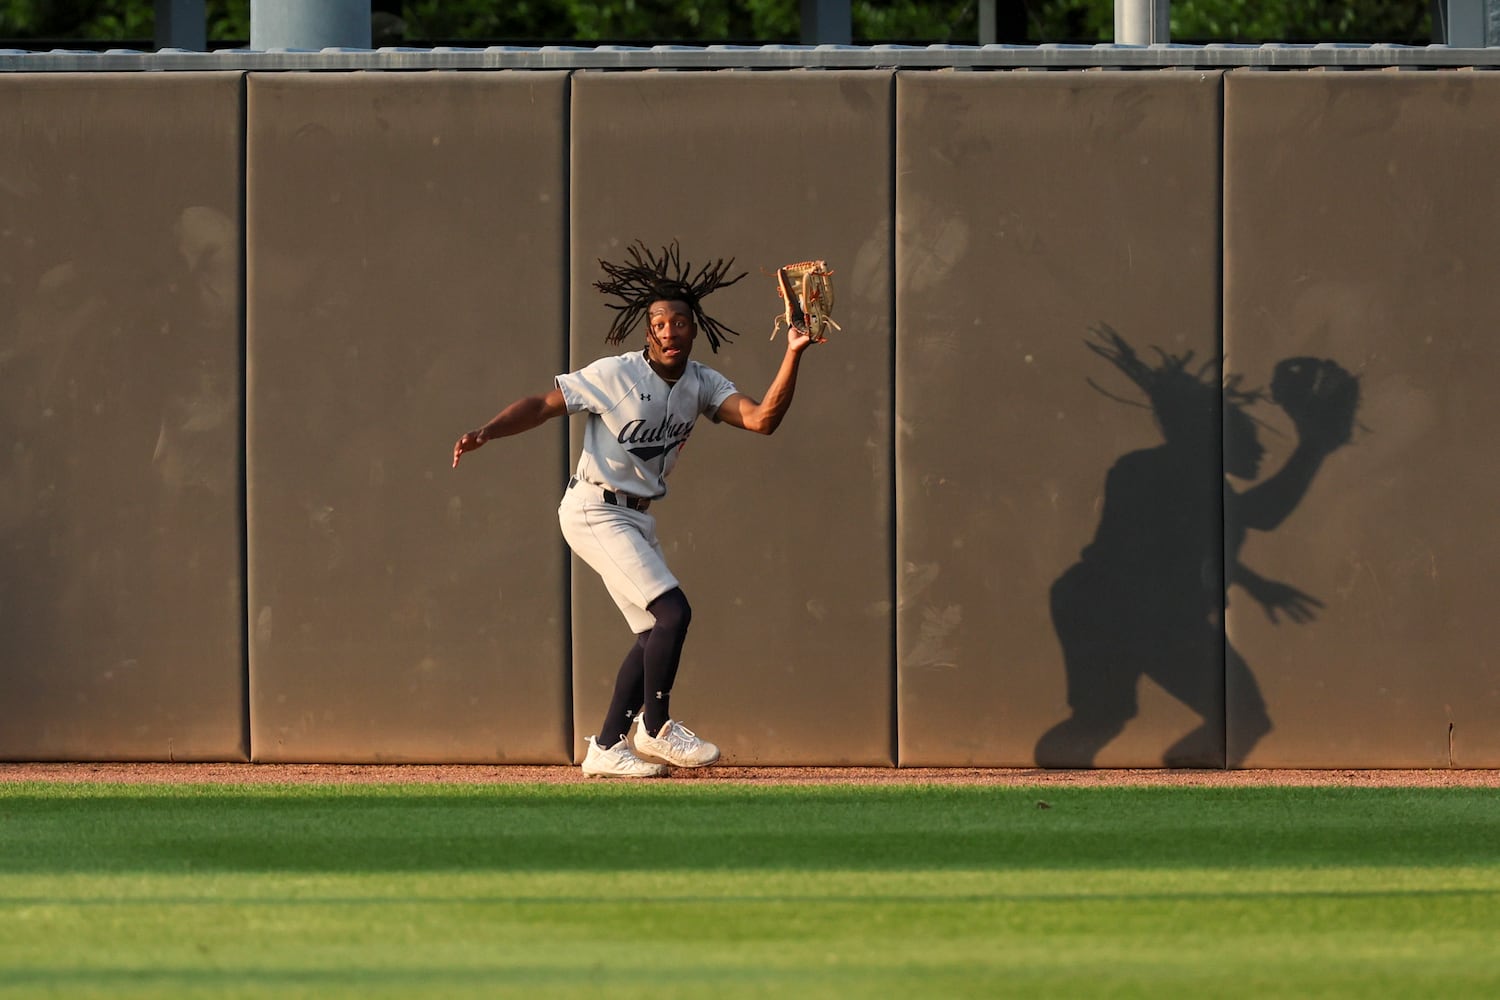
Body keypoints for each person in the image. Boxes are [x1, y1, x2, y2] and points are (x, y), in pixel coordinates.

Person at [452, 240, 821, 777]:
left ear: (695, 329)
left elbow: (763, 418)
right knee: (675, 612)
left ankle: (605, 747)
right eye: (660, 323)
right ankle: (654, 726)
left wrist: (792, 352)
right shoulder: (616, 374)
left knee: (653, 636)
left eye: (679, 322)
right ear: (647, 332)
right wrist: (488, 431)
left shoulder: (702, 383)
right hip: (592, 509)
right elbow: (543, 404)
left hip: (638, 516)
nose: (670, 330)